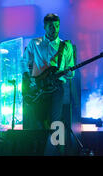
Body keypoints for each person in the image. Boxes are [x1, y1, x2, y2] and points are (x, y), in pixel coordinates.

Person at [22, 13, 75, 155]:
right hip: (38, 88)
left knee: (55, 121)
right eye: (51, 26)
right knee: (38, 122)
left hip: (56, 87)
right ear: (45, 27)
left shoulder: (66, 46)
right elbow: (24, 62)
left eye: (57, 26)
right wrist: (29, 79)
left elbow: (71, 70)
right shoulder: (35, 43)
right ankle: (39, 151)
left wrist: (68, 72)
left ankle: (59, 151)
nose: (55, 29)